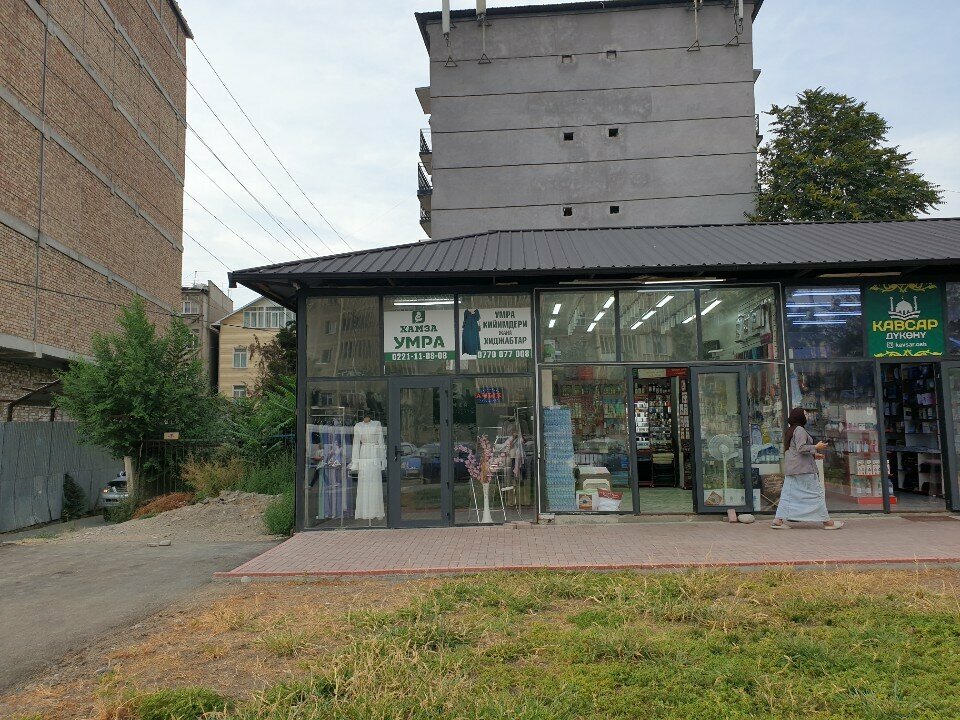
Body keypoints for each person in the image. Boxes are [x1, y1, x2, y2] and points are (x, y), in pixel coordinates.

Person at [771, 407, 844, 530]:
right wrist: (816, 446)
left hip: (793, 469)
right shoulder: (799, 430)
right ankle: (827, 522)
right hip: (803, 470)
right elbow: (801, 448)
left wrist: (814, 455)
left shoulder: (791, 430)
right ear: (799, 416)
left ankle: (778, 520)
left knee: (788, 495)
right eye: (805, 414)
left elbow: (794, 450)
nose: (807, 416)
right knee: (815, 494)